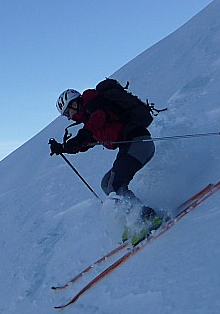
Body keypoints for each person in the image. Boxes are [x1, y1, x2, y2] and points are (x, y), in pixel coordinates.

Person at [50, 86, 162, 240]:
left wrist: (79, 138)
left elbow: (94, 124)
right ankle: (134, 220)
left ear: (73, 104)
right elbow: (85, 141)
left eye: (67, 112)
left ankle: (147, 217)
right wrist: (64, 147)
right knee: (106, 184)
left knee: (116, 184)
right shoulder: (90, 119)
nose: (69, 117)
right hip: (130, 148)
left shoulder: (95, 105)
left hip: (139, 143)